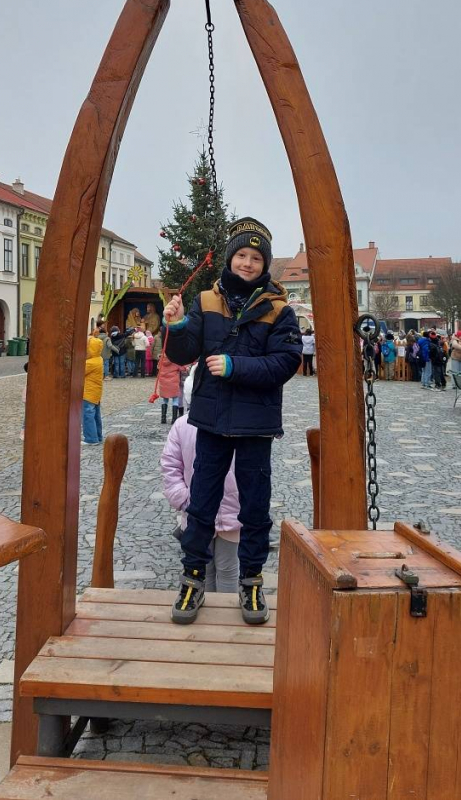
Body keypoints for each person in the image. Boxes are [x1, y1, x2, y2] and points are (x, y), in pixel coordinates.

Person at [162, 216, 302, 625]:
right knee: (202, 502)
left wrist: (235, 366)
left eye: (256, 258)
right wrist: (177, 326)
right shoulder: (206, 300)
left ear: (265, 264)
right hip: (212, 418)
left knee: (254, 507)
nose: (247, 263)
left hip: (256, 423)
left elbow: (286, 362)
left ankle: (251, 580)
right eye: (241, 255)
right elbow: (185, 353)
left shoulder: (279, 310)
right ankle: (192, 578)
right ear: (230, 258)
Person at [161, 370, 240, 592]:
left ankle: (221, 611)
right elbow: (171, 466)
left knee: (225, 569)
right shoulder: (183, 426)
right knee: (211, 569)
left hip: (229, 509)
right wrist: (185, 499)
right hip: (200, 508)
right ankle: (214, 609)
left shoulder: (235, 423)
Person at [83, 336, 104, 444]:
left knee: (88, 415)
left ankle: (91, 438)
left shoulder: (90, 363)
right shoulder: (99, 359)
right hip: (95, 393)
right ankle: (98, 436)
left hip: (88, 393)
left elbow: (79, 371)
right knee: (96, 415)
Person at [158, 352, 189, 423]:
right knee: (175, 399)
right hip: (173, 382)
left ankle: (163, 418)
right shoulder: (174, 358)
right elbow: (182, 368)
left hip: (163, 382)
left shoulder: (162, 358)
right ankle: (174, 419)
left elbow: (158, 367)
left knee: (164, 400)